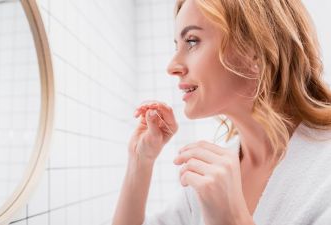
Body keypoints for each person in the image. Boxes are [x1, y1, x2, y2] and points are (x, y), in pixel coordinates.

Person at [112, 0, 331, 224]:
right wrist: (140, 162)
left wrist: (232, 219)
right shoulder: (212, 177)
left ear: (255, 47)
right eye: (176, 46)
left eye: (192, 41)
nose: (172, 66)